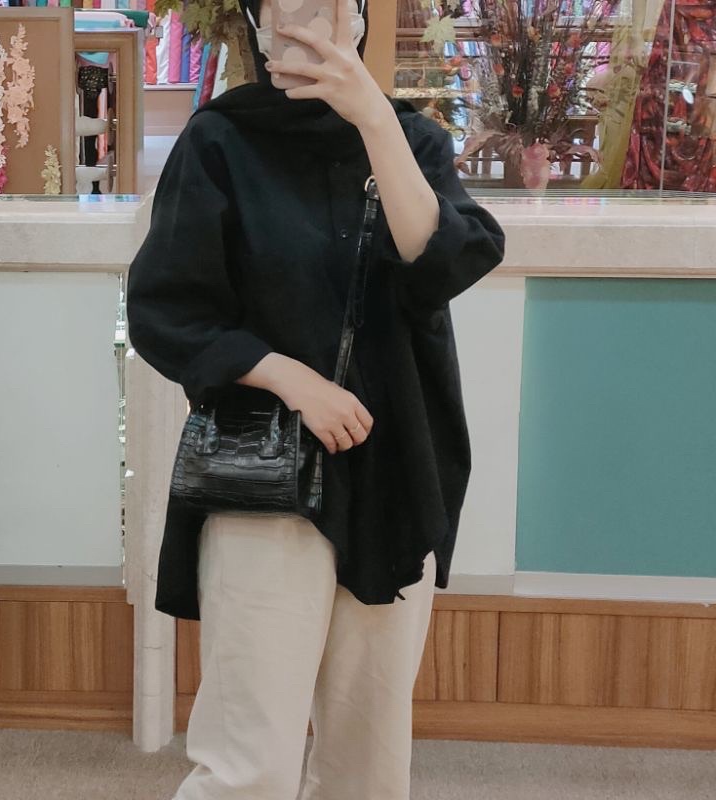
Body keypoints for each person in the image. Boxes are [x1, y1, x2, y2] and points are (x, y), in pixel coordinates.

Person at [126, 1, 505, 798]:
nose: (306, 21)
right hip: (263, 472)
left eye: (327, 3)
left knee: (369, 761)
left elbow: (442, 267)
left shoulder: (412, 139)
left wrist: (373, 116)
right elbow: (167, 311)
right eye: (286, 5)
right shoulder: (220, 141)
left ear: (357, 18)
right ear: (257, 21)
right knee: (248, 764)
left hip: (395, 471)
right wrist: (290, 378)